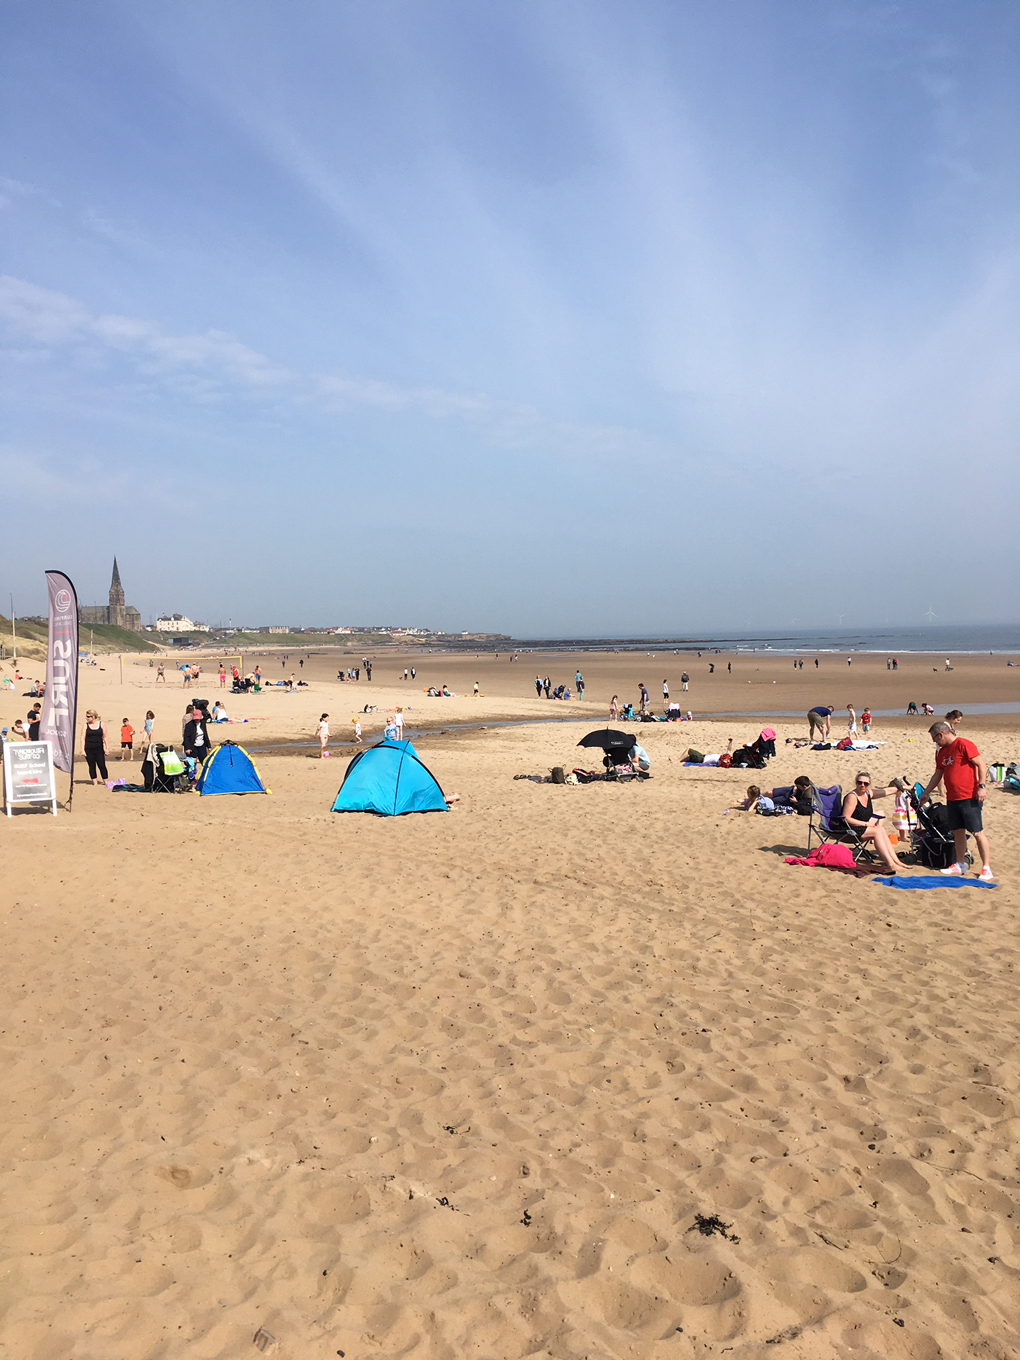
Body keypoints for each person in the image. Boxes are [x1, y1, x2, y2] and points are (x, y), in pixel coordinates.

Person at [920, 721, 993, 880]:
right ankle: (959, 863)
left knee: (977, 832)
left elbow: (981, 764)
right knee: (958, 831)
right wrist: (926, 793)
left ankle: (986, 867)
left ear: (941, 734)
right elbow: (938, 774)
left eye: (935, 739)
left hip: (969, 797)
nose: (935, 742)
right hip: (952, 798)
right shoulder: (942, 752)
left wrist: (982, 786)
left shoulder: (963, 744)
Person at [841, 772, 909, 873]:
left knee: (881, 829)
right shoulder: (852, 797)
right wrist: (866, 824)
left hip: (862, 827)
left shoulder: (868, 793)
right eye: (860, 783)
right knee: (877, 832)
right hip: (851, 829)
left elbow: (886, 791)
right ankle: (891, 864)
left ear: (869, 785)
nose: (862, 785)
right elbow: (846, 818)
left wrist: (905, 788)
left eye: (866, 783)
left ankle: (896, 861)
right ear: (856, 783)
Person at [83, 710, 109, 784]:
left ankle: (106, 782)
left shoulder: (101, 724)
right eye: (86, 716)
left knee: (102, 765)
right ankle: (95, 783)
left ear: (93, 717)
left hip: (99, 748)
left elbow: (105, 736)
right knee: (92, 766)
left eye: (88, 717)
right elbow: (82, 738)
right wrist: (82, 750)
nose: (86, 718)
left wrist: (107, 747)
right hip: (88, 748)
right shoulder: (85, 725)